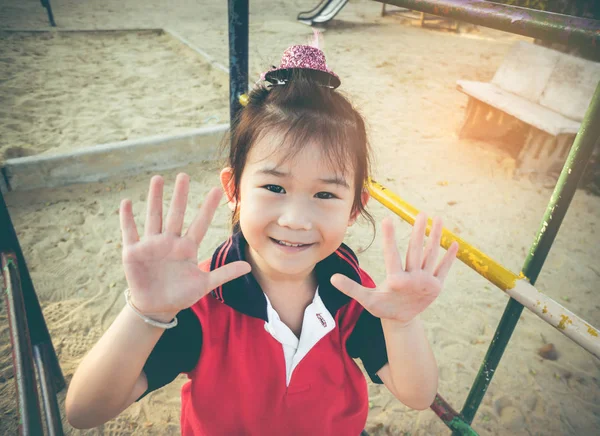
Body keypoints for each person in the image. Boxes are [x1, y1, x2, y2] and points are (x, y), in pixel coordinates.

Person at [65, 38, 459, 435]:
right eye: (274, 188)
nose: (295, 220)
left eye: (325, 194)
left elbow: (416, 395)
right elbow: (85, 411)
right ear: (234, 190)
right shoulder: (197, 298)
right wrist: (145, 313)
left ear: (354, 207)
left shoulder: (354, 291)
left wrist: (403, 322)